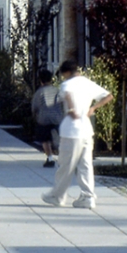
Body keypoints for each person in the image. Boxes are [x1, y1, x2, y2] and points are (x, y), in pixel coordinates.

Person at [41, 60, 111, 211]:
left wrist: (72, 108)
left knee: (65, 165)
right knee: (85, 165)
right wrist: (93, 108)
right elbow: (108, 96)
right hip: (86, 130)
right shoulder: (88, 83)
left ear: (66, 73)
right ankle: (88, 197)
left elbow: (67, 94)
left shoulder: (67, 84)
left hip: (71, 131)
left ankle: (57, 196)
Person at [29, 68, 63, 168]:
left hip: (43, 118)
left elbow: (34, 107)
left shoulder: (39, 92)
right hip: (57, 117)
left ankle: (50, 158)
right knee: (61, 139)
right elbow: (62, 103)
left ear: (41, 80)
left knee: (45, 140)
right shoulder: (57, 90)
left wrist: (35, 115)